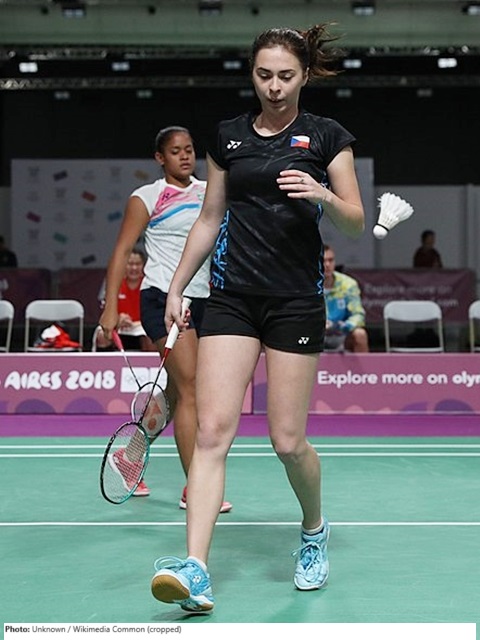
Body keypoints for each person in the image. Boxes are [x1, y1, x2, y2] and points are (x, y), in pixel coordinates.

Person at [152, 24, 365, 613]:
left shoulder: (328, 136)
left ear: (305, 76)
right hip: (231, 297)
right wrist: (177, 286)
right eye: (264, 75)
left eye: (286, 76)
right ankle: (196, 568)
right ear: (252, 73)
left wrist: (323, 195)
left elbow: (354, 221)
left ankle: (313, 529)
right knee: (213, 432)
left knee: (287, 441)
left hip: (294, 300)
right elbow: (209, 218)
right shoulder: (228, 137)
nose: (274, 87)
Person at [98, 125, 232, 512]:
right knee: (191, 390)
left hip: (206, 299)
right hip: (162, 298)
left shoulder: (210, 191)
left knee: (175, 393)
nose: (185, 156)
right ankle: (197, 487)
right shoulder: (147, 197)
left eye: (189, 149)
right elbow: (122, 251)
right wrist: (110, 307)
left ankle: (129, 457)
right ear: (160, 158)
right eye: (175, 151)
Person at [95, 248, 156, 353]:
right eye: (130, 264)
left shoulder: (150, 285)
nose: (134, 268)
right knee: (102, 336)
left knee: (152, 337)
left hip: (142, 326)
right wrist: (117, 320)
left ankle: (150, 363)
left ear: (143, 266)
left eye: (137, 264)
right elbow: (105, 312)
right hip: (117, 325)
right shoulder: (114, 285)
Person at [323, 244, 369, 352]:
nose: (327, 264)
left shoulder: (348, 284)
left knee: (360, 334)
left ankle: (366, 364)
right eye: (323, 261)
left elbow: (358, 314)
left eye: (331, 260)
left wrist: (347, 325)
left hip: (342, 335)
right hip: (314, 335)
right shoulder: (307, 285)